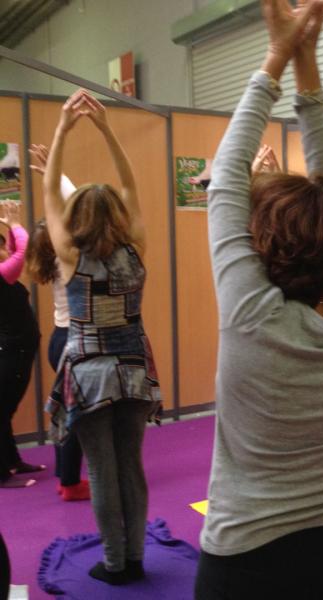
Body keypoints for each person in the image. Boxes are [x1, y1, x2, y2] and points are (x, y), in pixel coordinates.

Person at [193, 1, 323, 598]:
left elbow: (226, 178)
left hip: (245, 551)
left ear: (266, 242)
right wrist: (301, 63)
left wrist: (282, 55)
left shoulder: (253, 313)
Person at [43, 89, 161, 584]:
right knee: (131, 465)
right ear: (118, 214)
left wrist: (62, 130)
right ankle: (134, 557)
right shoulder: (136, 247)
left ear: (79, 218)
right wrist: (107, 128)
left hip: (89, 374)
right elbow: (130, 184)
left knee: (102, 470)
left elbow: (50, 195)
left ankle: (114, 564)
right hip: (134, 370)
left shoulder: (71, 255)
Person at [27, 144, 90, 502]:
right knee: (75, 417)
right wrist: (58, 176)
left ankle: (65, 476)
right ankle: (69, 481)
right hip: (73, 342)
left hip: (59, 339)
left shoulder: (53, 258)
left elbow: (71, 210)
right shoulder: (72, 259)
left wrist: (55, 176)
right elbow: (81, 208)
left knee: (66, 411)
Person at [0, 200, 42, 489]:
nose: (5, 250)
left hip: (18, 350)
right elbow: (23, 252)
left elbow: (16, 251)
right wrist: (14, 223)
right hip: (11, 350)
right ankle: (2, 472)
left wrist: (10, 229)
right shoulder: (2, 274)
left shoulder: (5, 273)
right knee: (2, 410)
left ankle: (12, 461)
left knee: (5, 410)